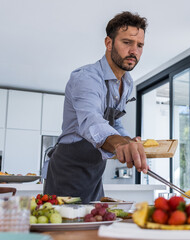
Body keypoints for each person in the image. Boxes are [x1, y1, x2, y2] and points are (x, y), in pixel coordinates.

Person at [44, 11, 149, 203]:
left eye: (139, 45)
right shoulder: (86, 78)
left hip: (94, 173)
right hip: (68, 170)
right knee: (65, 230)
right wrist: (120, 144)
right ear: (109, 43)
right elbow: (91, 121)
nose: (134, 51)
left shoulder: (127, 82)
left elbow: (114, 120)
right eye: (127, 43)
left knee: (96, 224)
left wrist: (127, 139)